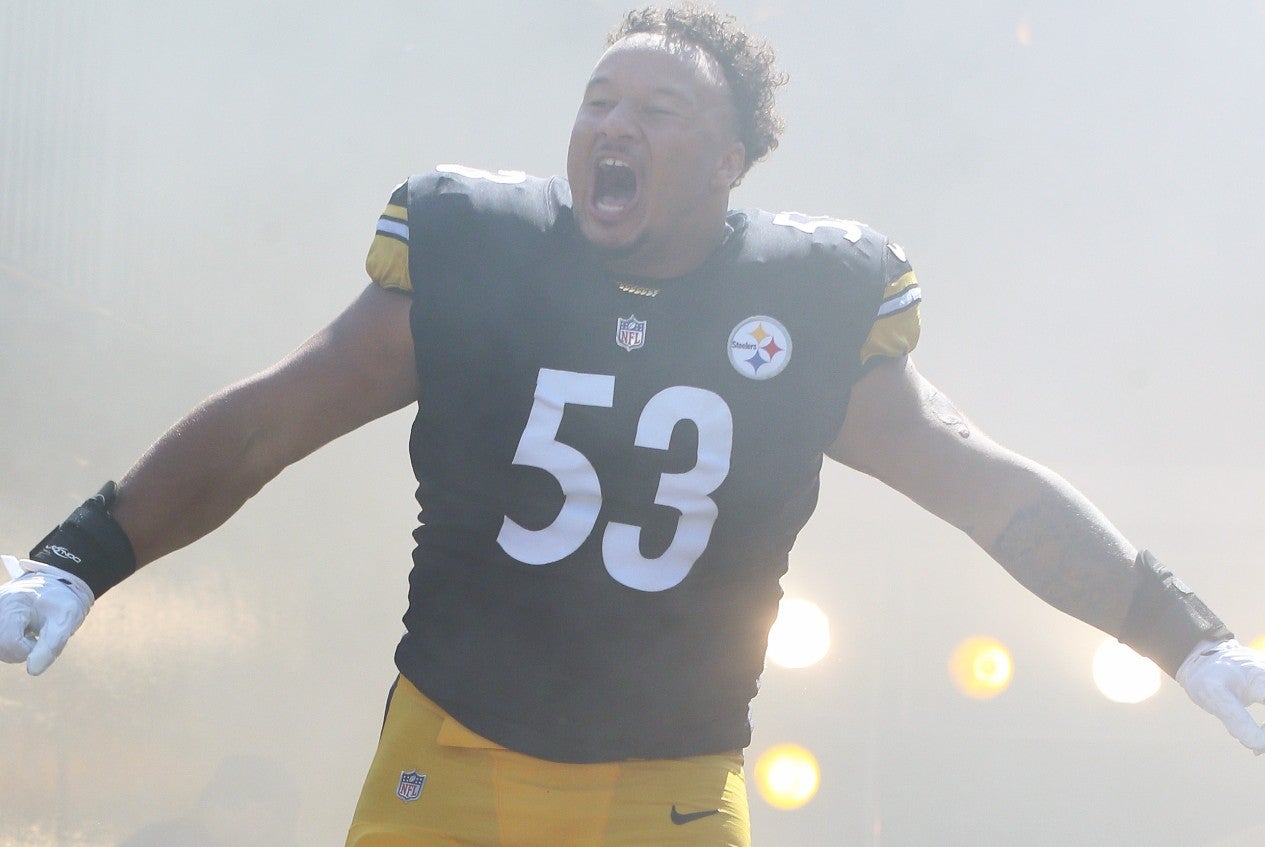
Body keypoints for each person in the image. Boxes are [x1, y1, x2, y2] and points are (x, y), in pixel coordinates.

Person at [2, 5, 1264, 846]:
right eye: (600, 100)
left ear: (729, 162)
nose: (613, 126)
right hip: (453, 746)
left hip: (670, 781)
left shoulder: (806, 302)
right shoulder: (482, 246)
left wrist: (1183, 638)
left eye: (656, 114)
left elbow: (983, 488)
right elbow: (266, 425)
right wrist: (80, 554)